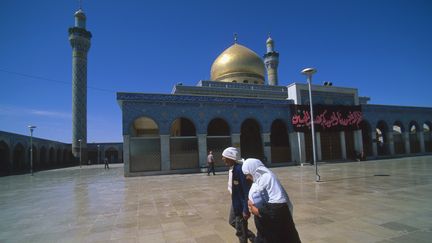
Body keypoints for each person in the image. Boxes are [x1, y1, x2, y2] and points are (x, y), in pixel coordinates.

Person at [242, 158, 301, 243]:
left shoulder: (268, 177)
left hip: (276, 232)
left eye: (247, 174)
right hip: (266, 230)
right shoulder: (259, 178)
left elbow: (279, 207)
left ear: (252, 169)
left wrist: (257, 211)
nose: (247, 177)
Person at [222, 147, 254, 243]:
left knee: (240, 228)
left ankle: (250, 238)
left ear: (230, 158)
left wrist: (245, 209)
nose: (222, 159)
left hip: (240, 203)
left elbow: (245, 191)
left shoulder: (239, 170)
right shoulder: (232, 169)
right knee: (232, 221)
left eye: (224, 157)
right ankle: (252, 237)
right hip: (235, 201)